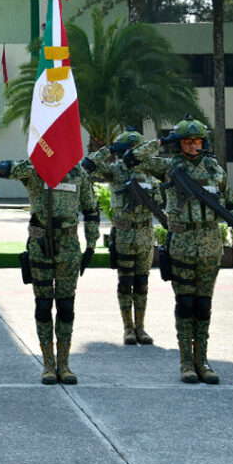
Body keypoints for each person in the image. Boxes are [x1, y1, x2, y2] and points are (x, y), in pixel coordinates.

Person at [126, 117, 233, 385]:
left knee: (203, 305)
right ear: (179, 144)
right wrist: (162, 141)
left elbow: (229, 202)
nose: (194, 145)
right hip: (181, 244)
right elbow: (131, 159)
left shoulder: (215, 170)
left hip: (209, 244)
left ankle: (202, 360)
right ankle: (185, 362)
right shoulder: (169, 168)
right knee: (185, 305)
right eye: (187, 141)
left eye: (197, 141)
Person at [0, 155, 100, 384]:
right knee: (43, 305)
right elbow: (2, 170)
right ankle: (48, 365)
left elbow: (91, 209)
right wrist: (30, 163)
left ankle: (64, 364)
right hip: (41, 245)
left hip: (69, 247)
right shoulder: (34, 171)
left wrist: (91, 244)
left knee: (66, 306)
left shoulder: (78, 174)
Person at [84, 128, 158, 346]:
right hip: (124, 233)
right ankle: (127, 328)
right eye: (127, 149)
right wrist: (108, 149)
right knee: (125, 282)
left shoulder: (151, 172)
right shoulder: (115, 171)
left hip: (145, 233)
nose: (132, 154)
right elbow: (88, 166)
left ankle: (141, 327)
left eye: (136, 149)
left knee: (142, 282)